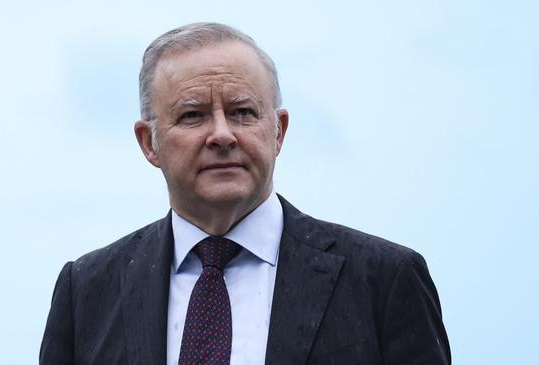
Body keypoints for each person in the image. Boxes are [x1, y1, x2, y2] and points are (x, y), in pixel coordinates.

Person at [40, 22, 451, 365]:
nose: (221, 134)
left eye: (242, 112)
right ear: (149, 143)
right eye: (192, 115)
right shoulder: (87, 292)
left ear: (278, 131)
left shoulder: (384, 280)